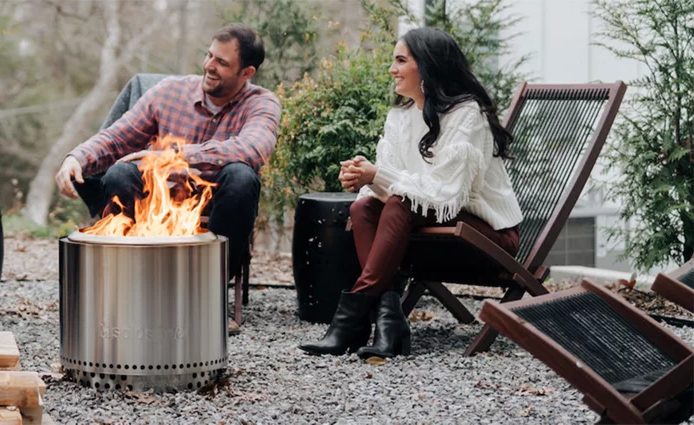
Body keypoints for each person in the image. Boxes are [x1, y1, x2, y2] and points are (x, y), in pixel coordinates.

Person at [298, 27, 523, 359]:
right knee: (362, 210)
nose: (392, 69)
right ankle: (389, 325)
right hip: (429, 231)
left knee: (400, 202)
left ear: (428, 66)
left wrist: (378, 176)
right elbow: (391, 186)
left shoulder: (467, 115)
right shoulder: (401, 115)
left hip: (485, 240)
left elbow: (445, 192)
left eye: (401, 60)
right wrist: (366, 176)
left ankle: (350, 324)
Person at [55, 23, 281, 289]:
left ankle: (211, 289)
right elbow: (118, 137)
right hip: (159, 197)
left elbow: (253, 148)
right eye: (209, 55)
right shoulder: (170, 91)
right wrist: (76, 158)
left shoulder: (262, 103)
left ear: (247, 72)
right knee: (120, 173)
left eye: (222, 62)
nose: (209, 65)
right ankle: (132, 281)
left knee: (243, 176)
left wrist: (176, 155)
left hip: (220, 202)